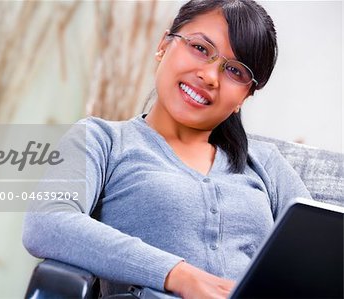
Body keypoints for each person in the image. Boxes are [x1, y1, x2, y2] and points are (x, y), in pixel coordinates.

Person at [22, 0, 311, 298]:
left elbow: (321, 253)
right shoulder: (102, 140)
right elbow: (47, 222)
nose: (210, 77)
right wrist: (177, 274)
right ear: (163, 45)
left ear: (244, 97)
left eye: (234, 71)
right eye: (200, 48)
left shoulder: (266, 164)